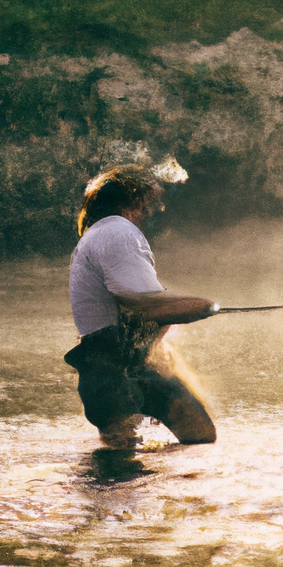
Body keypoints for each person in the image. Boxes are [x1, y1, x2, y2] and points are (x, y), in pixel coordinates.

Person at [63, 162, 219, 449]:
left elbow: (142, 304)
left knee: (198, 433)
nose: (155, 209)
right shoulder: (117, 233)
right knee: (121, 465)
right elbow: (142, 305)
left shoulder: (101, 233)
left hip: (128, 364)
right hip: (112, 369)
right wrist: (200, 306)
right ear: (133, 199)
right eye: (150, 201)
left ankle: (161, 486)